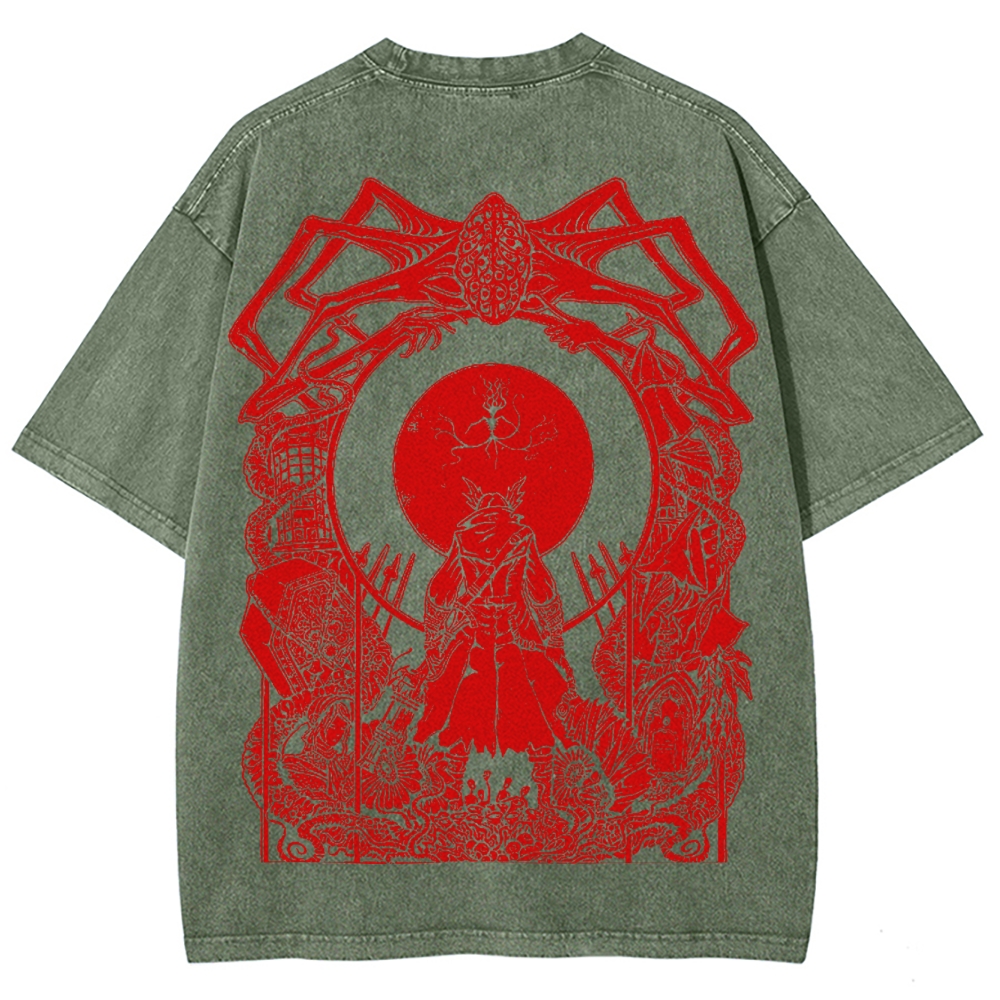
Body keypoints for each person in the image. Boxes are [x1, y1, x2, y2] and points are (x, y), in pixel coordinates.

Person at [413, 478, 575, 755]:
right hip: (517, 632)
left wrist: (433, 639)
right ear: (507, 510)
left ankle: (448, 761)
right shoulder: (522, 536)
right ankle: (547, 759)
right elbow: (541, 589)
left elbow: (441, 590)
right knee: (543, 699)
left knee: (449, 699)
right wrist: (554, 638)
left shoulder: (463, 537)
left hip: (474, 632)